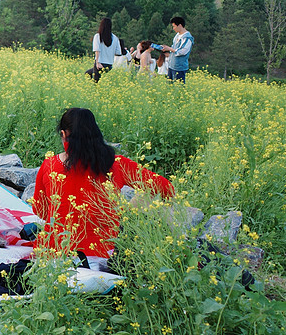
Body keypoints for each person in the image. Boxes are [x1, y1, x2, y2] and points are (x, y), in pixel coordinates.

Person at [31, 108, 174, 262]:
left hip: (55, 253)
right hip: (102, 255)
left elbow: (41, 210)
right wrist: (131, 208)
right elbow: (166, 188)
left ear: (64, 135)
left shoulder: (50, 165)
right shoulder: (116, 164)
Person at [159, 16, 194, 82]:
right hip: (172, 65)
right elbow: (173, 47)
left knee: (178, 87)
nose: (173, 28)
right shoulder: (177, 35)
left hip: (179, 67)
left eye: (174, 26)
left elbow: (183, 51)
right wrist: (166, 48)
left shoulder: (187, 38)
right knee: (170, 86)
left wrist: (170, 49)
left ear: (180, 25)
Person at [86, 18, 121, 82]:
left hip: (100, 63)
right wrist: (109, 52)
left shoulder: (98, 36)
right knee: (88, 74)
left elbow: (97, 50)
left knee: (95, 81)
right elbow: (118, 52)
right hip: (109, 65)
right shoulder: (115, 38)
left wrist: (97, 62)